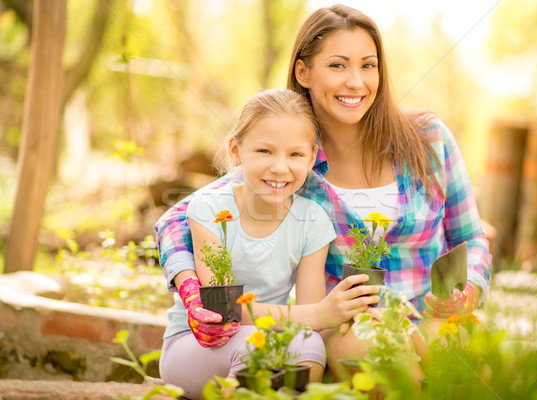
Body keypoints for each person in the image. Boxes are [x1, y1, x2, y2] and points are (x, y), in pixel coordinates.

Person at [155, 3, 491, 387]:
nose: (356, 82)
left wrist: (469, 290)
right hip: (349, 327)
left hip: (430, 315)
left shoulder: (428, 139)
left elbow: (471, 238)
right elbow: (182, 216)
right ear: (304, 71)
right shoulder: (295, 162)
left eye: (368, 65)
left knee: (470, 370)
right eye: (337, 65)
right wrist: (189, 285)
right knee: (389, 367)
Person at [158, 88, 380, 399]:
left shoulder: (312, 220)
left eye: (295, 154)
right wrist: (318, 314)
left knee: (310, 344)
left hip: (265, 336)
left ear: (312, 156)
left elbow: (309, 315)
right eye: (264, 151)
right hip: (198, 346)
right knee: (254, 347)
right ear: (236, 150)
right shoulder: (208, 208)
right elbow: (222, 311)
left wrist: (348, 315)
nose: (280, 167)